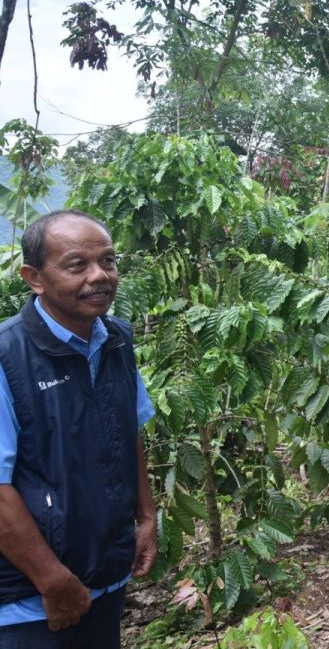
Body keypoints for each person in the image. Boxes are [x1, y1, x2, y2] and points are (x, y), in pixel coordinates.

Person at [0, 210, 157, 649]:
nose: (99, 276)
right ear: (34, 277)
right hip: (30, 600)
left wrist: (145, 515)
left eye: (108, 261)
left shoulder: (116, 340)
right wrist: (51, 579)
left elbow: (130, 430)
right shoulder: (7, 357)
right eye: (76, 265)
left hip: (104, 579)